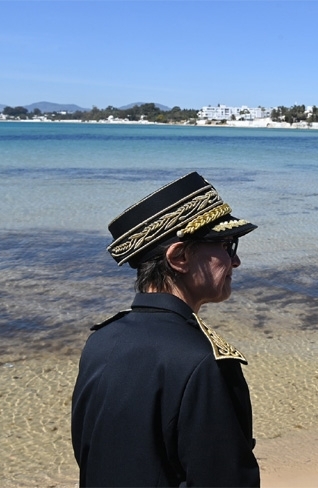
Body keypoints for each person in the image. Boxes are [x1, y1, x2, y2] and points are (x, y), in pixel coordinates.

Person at [72, 172, 261, 487]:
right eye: (227, 245)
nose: (237, 261)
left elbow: (90, 456)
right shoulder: (204, 363)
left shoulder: (101, 341)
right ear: (180, 257)